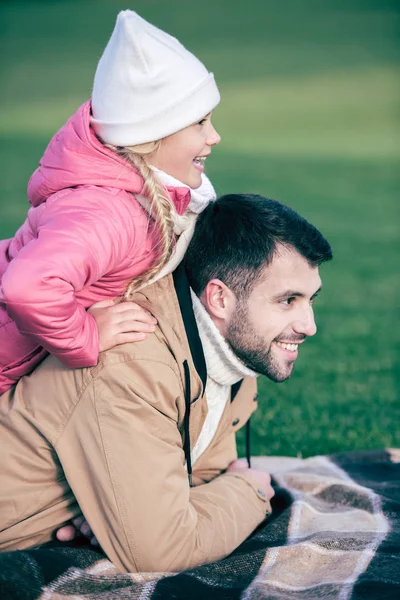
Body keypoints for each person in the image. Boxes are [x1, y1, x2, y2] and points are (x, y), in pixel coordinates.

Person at [0, 193, 332, 573]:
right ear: (219, 299)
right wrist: (252, 491)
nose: (309, 326)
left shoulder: (231, 359)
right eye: (288, 300)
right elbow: (162, 551)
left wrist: (141, 522)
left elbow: (201, 482)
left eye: (310, 300)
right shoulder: (133, 363)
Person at [0, 10, 221, 394]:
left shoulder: (141, 195)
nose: (214, 136)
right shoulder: (110, 212)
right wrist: (86, 335)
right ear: (152, 136)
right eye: (200, 123)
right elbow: (28, 287)